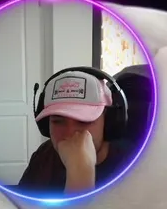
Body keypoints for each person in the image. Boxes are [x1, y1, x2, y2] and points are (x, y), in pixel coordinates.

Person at [17, 67, 135, 197]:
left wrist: (81, 174)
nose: (70, 133)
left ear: (108, 121)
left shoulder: (134, 165)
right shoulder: (44, 155)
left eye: (84, 121)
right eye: (58, 121)